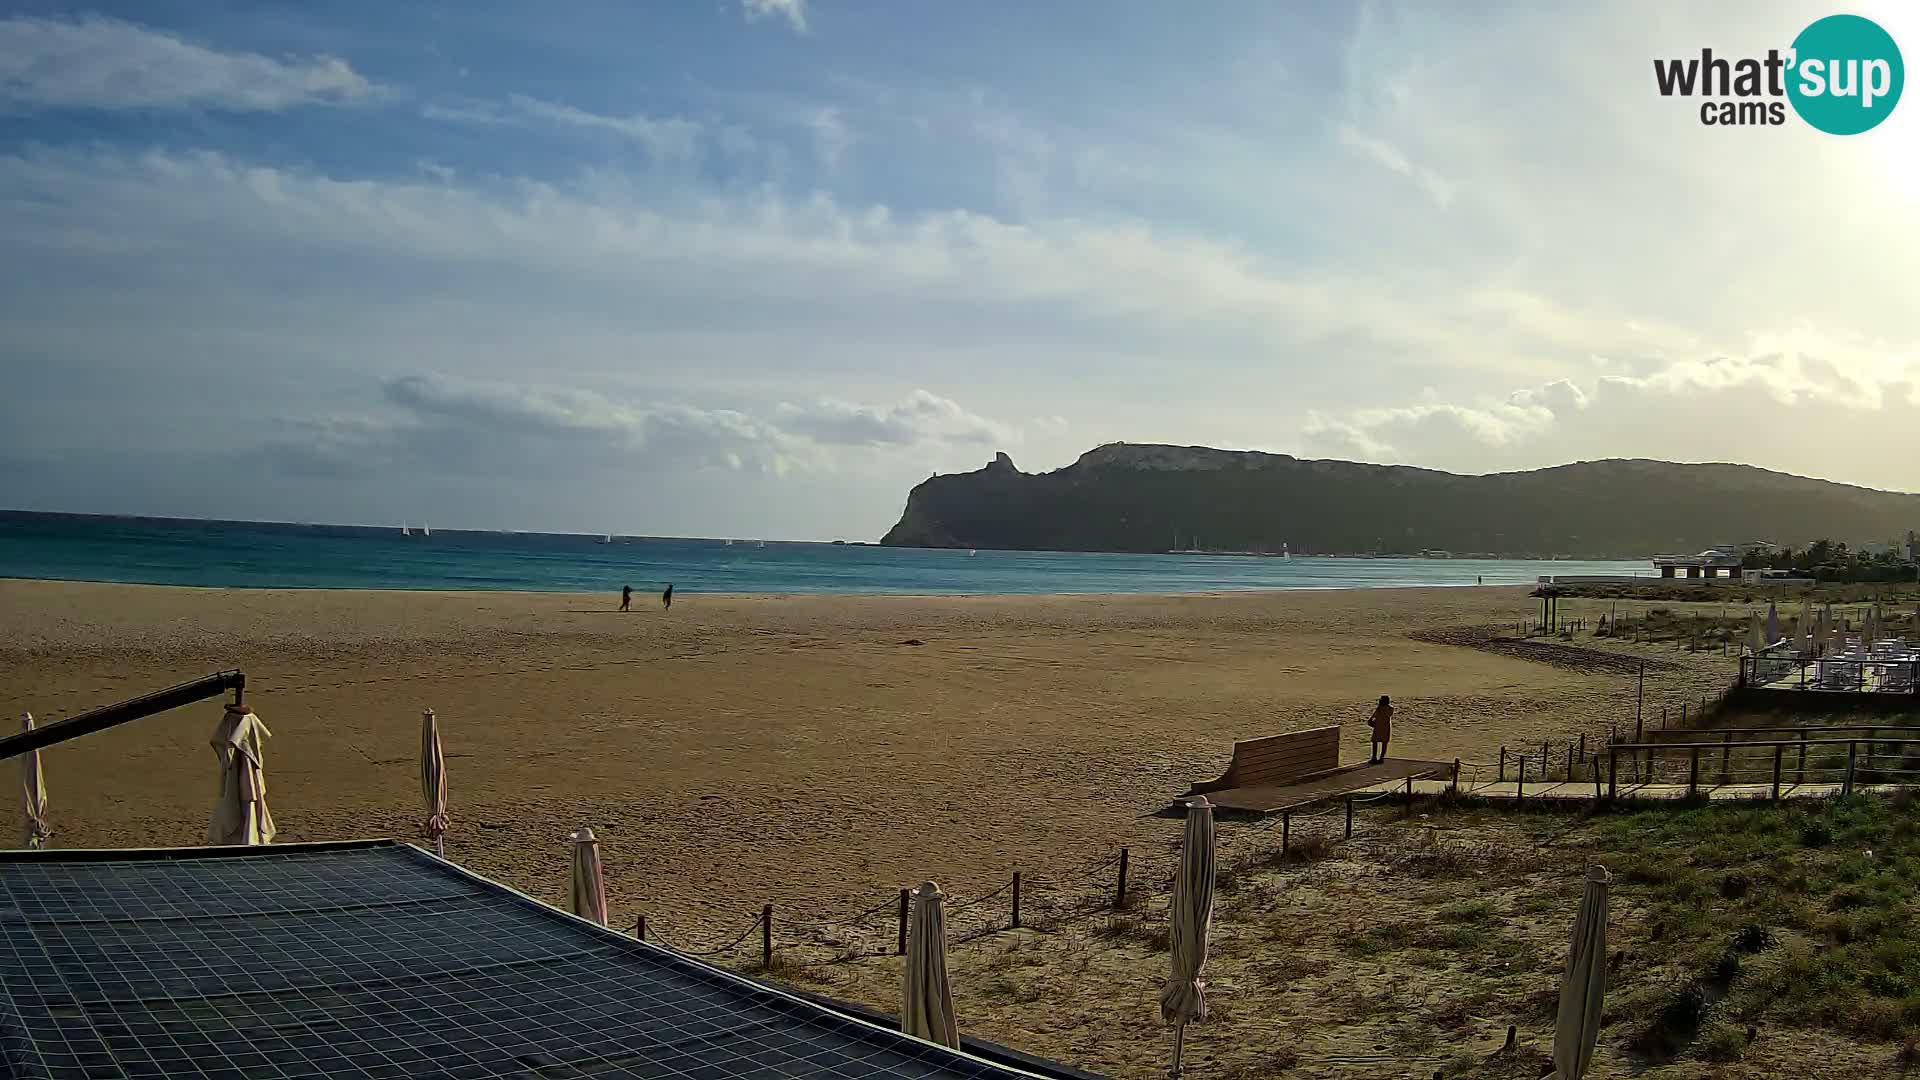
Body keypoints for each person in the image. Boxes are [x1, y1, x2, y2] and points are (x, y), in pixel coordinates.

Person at [1368, 695, 1394, 764]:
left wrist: (1370, 720)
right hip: (1386, 726)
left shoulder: (1380, 708)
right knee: (1384, 742)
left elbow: (1374, 716)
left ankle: (1374, 757)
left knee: (1374, 741)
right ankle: (1381, 758)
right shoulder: (1391, 708)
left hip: (1378, 726)